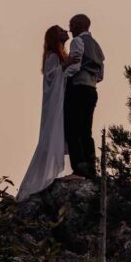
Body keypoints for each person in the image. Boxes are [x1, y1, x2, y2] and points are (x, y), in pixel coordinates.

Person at [17, 25, 78, 201]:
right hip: (55, 104)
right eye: (60, 31)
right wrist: (65, 65)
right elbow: (51, 77)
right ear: (54, 37)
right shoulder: (52, 56)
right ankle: (37, 181)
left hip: (63, 100)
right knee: (51, 136)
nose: (65, 31)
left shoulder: (60, 56)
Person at [63, 14, 105, 180]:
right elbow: (101, 74)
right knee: (86, 129)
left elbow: (75, 65)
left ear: (80, 25)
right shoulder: (97, 46)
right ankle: (90, 168)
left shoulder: (77, 42)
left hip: (77, 88)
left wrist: (62, 76)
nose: (70, 29)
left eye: (72, 25)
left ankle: (79, 169)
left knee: (73, 128)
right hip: (91, 89)